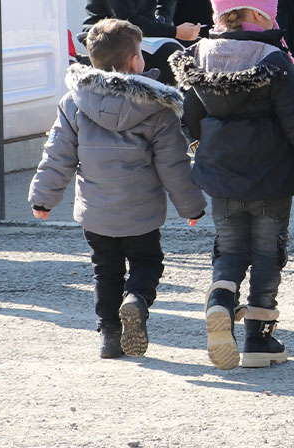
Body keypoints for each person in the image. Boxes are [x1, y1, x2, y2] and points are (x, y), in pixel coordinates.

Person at [169, 0, 294, 370]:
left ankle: (221, 301)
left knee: (229, 247)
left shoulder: (198, 56)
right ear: (254, 12)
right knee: (267, 251)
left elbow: (189, 119)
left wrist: (203, 151)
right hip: (271, 177)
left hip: (222, 178)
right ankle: (258, 340)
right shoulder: (273, 60)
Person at [28, 18, 206, 359]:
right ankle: (136, 298)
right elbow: (173, 164)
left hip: (96, 211)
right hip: (141, 211)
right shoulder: (157, 108)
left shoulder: (73, 103)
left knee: (105, 270)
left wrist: (43, 198)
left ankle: (109, 334)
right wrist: (191, 208)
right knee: (147, 262)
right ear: (132, 62)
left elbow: (57, 156)